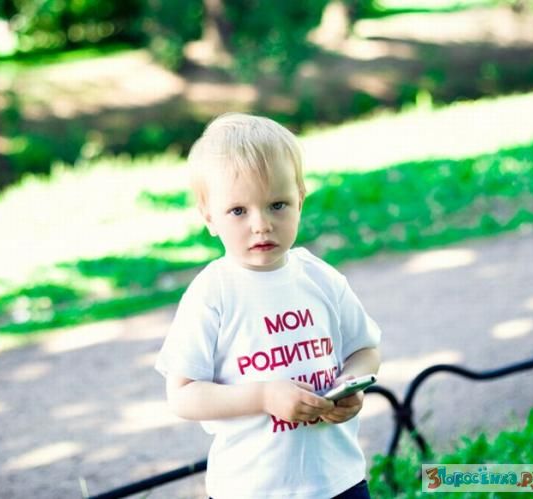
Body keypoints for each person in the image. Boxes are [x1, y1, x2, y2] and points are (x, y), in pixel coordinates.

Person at [155, 113, 381, 499]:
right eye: (238, 211)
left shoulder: (319, 277)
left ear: (300, 200)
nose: (261, 224)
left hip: (339, 480)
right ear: (209, 216)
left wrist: (349, 385)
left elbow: (365, 350)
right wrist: (263, 396)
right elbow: (182, 395)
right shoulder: (213, 292)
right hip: (252, 488)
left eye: (277, 204)